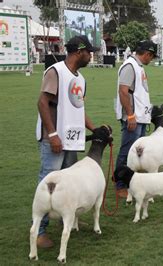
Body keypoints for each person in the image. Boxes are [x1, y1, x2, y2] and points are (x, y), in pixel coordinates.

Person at [35, 35, 98, 248]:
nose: (91, 56)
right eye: (89, 52)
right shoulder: (56, 71)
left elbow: (79, 109)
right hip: (53, 139)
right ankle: (39, 231)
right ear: (79, 52)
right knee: (47, 182)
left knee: (68, 185)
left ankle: (67, 221)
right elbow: (42, 103)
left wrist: (95, 129)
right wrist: (52, 135)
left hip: (72, 141)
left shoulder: (80, 79)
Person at [114, 40, 157, 197]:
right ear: (147, 54)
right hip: (133, 117)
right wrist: (130, 115)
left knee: (138, 152)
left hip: (140, 116)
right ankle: (120, 185)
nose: (151, 60)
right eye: (151, 57)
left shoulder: (138, 66)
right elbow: (123, 91)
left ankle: (132, 183)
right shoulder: (130, 66)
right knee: (127, 152)